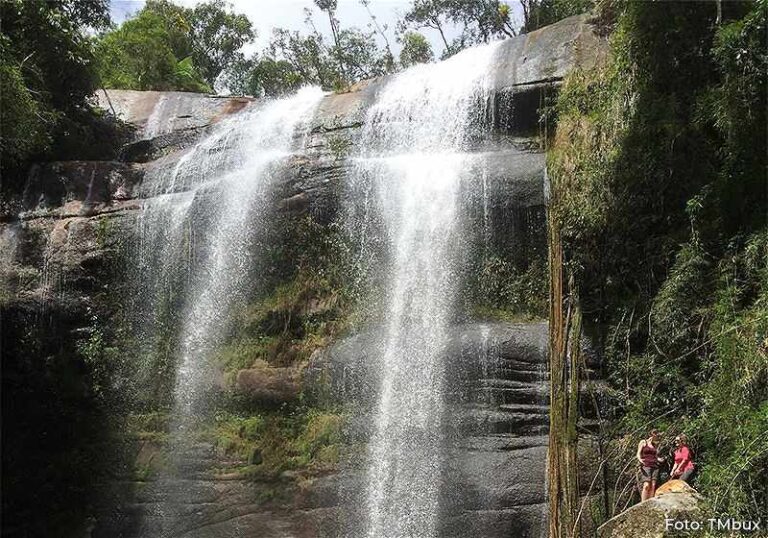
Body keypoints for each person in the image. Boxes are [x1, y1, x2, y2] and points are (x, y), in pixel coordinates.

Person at [637, 429, 663, 501]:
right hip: (646, 465)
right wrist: (640, 460)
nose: (657, 437)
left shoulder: (655, 445)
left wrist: (660, 459)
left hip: (655, 466)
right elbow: (638, 453)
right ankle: (643, 503)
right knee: (646, 485)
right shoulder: (643, 442)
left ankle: (650, 502)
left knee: (653, 485)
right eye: (656, 435)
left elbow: (656, 456)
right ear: (652, 434)